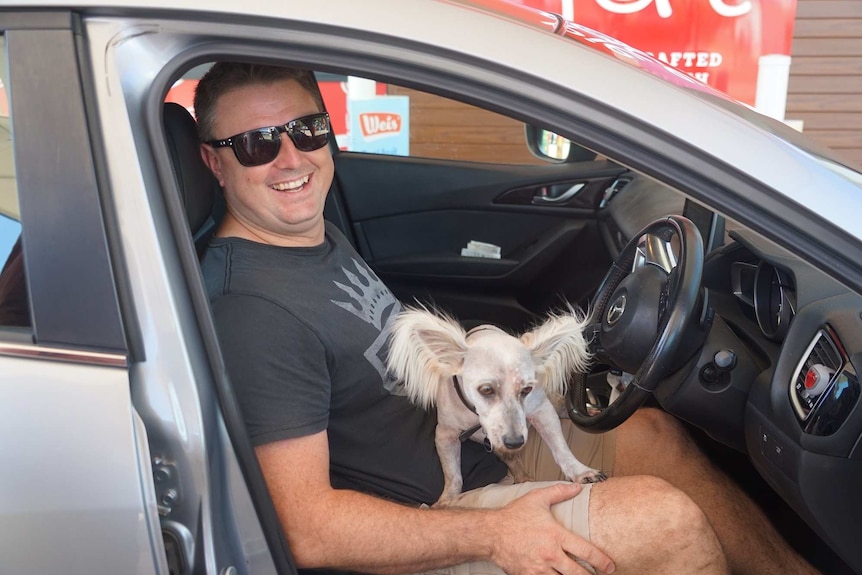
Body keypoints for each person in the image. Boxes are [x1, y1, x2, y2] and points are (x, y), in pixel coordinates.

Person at [195, 62, 815, 575]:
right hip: (434, 511)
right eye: (254, 143)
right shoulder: (253, 309)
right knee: (664, 524)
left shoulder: (310, 236)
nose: (289, 157)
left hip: (476, 442)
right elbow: (309, 531)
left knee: (655, 436)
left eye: (306, 129)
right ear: (214, 163)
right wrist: (489, 534)